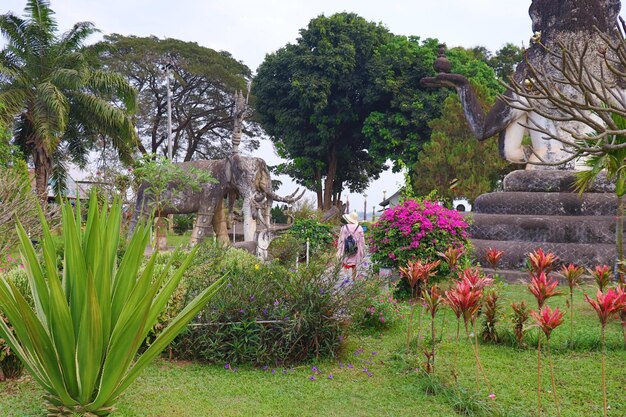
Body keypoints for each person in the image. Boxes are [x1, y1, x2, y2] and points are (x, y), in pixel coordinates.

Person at [337, 211, 365, 279]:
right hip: (356, 248)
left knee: (345, 263)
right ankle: (353, 279)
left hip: (345, 248)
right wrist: (362, 249)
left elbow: (341, 239)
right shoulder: (359, 228)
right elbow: (362, 241)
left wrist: (339, 248)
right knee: (354, 265)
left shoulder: (344, 227)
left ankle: (345, 278)